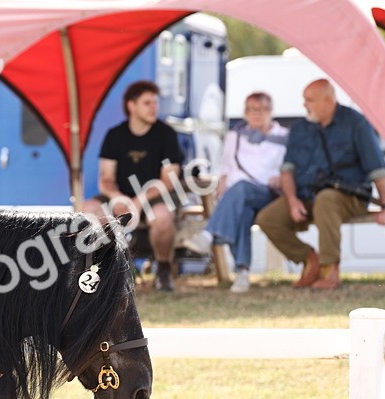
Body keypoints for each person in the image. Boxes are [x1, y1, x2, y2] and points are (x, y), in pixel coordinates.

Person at [253, 79, 385, 290]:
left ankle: (330, 270)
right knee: (267, 218)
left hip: (348, 197)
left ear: (328, 101)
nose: (304, 105)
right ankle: (309, 260)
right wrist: (292, 201)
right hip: (306, 196)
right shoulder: (301, 128)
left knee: (326, 199)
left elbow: (377, 170)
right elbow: (287, 170)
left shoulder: (356, 124)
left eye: (309, 100)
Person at [83, 81, 184, 292]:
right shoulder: (115, 135)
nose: (154, 107)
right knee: (88, 209)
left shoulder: (166, 134)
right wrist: (119, 198)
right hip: (121, 197)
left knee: (163, 217)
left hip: (155, 198)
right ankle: (110, 269)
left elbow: (168, 181)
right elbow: (105, 178)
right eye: (147, 103)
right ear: (131, 106)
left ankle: (163, 270)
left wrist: (138, 202)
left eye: (155, 103)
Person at [183, 92, 288, 294]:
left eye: (260, 109)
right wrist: (221, 189)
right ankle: (243, 272)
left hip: (267, 192)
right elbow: (226, 168)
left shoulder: (283, 137)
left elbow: (289, 168)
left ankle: (209, 233)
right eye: (250, 109)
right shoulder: (235, 135)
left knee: (241, 187)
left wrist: (281, 178)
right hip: (239, 195)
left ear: (270, 111)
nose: (255, 114)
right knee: (243, 211)